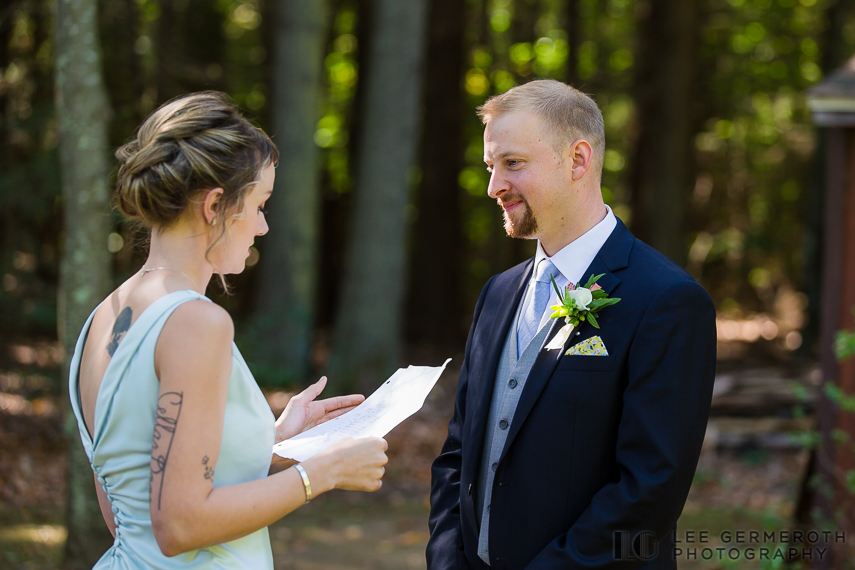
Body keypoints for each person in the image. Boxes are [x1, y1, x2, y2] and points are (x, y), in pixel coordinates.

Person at [69, 91, 388, 569]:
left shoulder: (103, 317)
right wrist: (322, 472)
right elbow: (179, 525)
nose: (262, 226)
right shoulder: (196, 321)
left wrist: (272, 440)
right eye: (260, 205)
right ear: (215, 204)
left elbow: (130, 509)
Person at [426, 80, 717, 569]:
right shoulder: (497, 294)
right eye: (490, 166)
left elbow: (649, 492)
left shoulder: (668, 301)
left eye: (512, 163)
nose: (494, 186)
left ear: (578, 161)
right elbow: (458, 454)